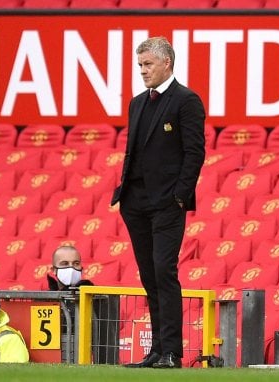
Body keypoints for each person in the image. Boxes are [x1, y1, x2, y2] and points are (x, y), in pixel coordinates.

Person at [110, 36, 206, 369]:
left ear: (167, 63)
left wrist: (179, 196)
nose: (142, 71)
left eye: (148, 64)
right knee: (149, 275)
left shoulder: (186, 100)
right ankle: (157, 351)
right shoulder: (137, 103)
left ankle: (171, 352)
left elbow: (195, 153)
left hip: (166, 203)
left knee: (164, 271)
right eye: (140, 65)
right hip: (135, 202)